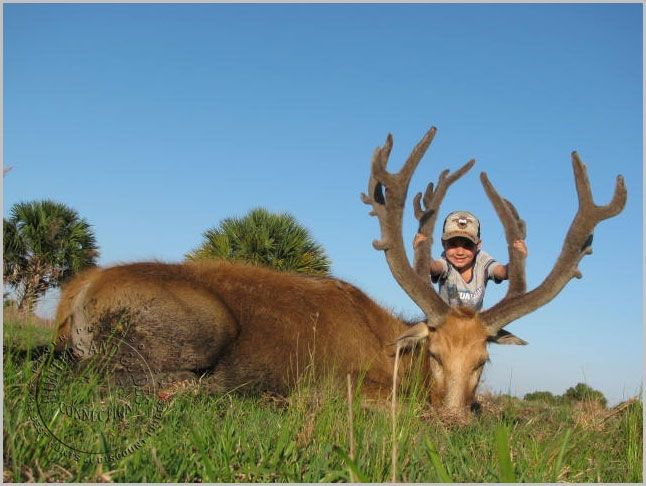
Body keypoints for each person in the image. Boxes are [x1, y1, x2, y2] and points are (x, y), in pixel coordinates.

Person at [413, 210, 527, 310]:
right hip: (446, 323)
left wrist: (518, 259)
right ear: (443, 244)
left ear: (478, 245)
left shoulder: (482, 261)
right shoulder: (446, 263)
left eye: (468, 245)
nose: (460, 252)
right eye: (452, 244)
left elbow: (503, 272)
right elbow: (433, 267)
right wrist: (422, 251)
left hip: (475, 324)